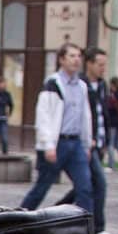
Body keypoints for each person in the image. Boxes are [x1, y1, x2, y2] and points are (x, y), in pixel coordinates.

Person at [18, 42, 93, 213]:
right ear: (62, 60)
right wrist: (48, 144)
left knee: (85, 188)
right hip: (57, 143)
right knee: (42, 187)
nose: (76, 60)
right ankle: (17, 217)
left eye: (78, 56)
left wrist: (86, 143)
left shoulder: (81, 86)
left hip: (75, 143)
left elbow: (85, 117)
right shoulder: (53, 84)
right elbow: (43, 116)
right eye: (72, 56)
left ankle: (84, 230)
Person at [53, 48, 117, 234]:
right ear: (89, 64)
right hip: (79, 142)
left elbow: (100, 114)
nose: (103, 68)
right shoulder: (80, 84)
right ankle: (95, 229)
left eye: (105, 64)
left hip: (93, 141)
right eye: (99, 64)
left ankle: (54, 213)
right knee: (95, 184)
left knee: (85, 186)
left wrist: (103, 138)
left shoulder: (102, 86)